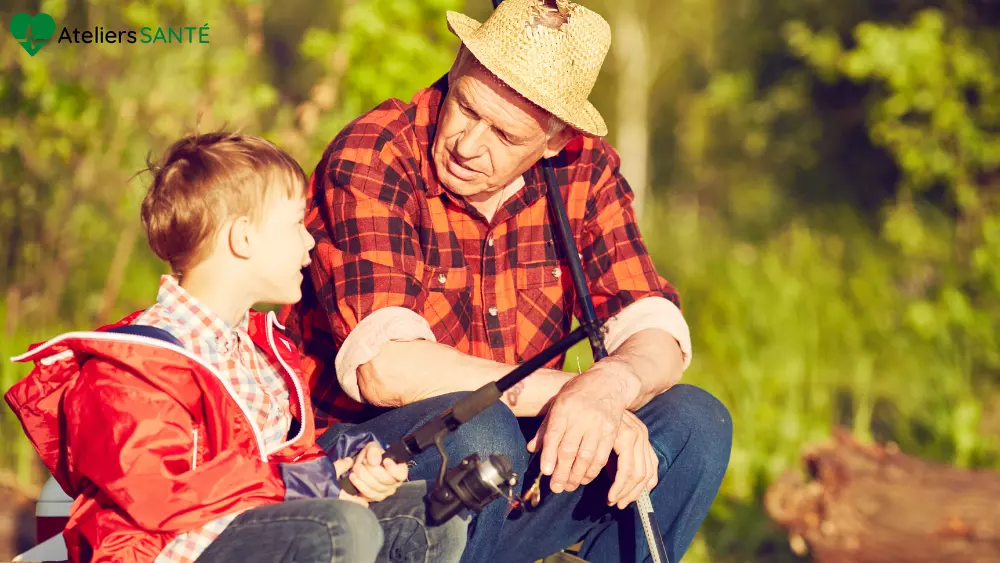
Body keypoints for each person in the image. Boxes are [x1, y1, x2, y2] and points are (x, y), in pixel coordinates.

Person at [279, 0, 734, 562]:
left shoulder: (584, 170)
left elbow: (654, 328)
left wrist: (609, 388)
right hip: (369, 472)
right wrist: (568, 392)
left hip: (517, 472)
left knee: (695, 424)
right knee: (483, 433)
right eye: (466, 108)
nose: (469, 146)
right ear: (458, 60)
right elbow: (384, 368)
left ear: (555, 139)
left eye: (504, 135)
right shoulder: (377, 152)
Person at [4, 132, 468, 563]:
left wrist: (346, 470)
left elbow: (284, 469)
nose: (310, 241)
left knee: (430, 518)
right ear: (243, 238)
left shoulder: (260, 352)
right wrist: (305, 486)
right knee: (338, 530)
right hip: (174, 551)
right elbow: (155, 494)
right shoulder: (134, 368)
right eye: (294, 225)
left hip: (252, 530)